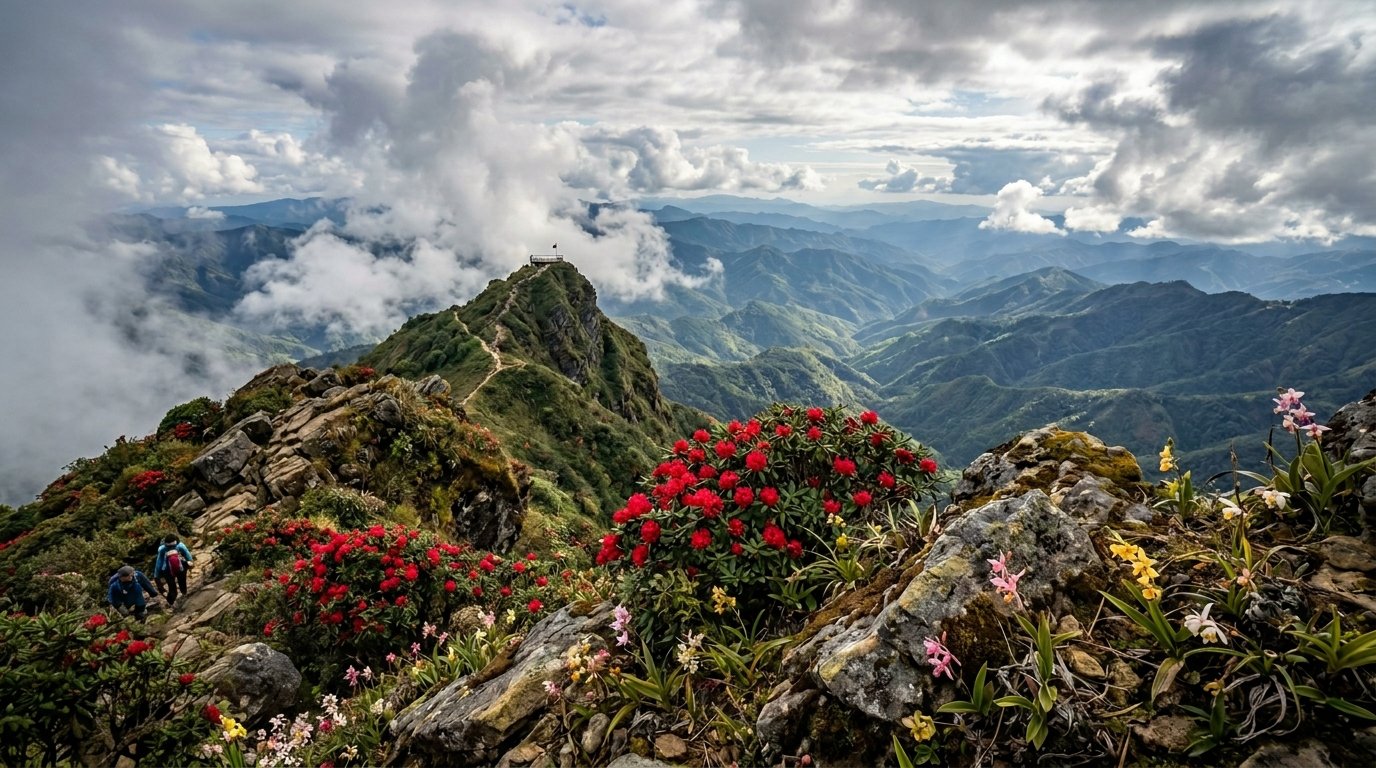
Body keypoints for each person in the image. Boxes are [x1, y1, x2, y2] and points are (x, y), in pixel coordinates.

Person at [154, 534, 194, 608]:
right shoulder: (180, 546)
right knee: (182, 582)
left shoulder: (162, 549)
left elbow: (159, 563)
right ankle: (184, 594)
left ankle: (171, 602)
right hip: (180, 568)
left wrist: (157, 576)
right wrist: (190, 563)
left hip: (167, 570)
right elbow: (187, 555)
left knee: (172, 587)